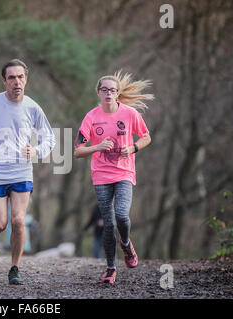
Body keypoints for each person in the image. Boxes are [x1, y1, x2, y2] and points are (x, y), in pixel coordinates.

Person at [0, 59, 55, 285]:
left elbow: (49, 137)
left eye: (20, 77)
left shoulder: (32, 107)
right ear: (4, 81)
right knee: (0, 223)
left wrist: (36, 150)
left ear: (26, 79)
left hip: (21, 171)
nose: (17, 82)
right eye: (12, 78)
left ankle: (15, 268)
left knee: (19, 220)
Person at [74, 71, 153, 284]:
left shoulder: (129, 114)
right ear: (98, 92)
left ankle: (126, 243)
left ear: (117, 93)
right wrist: (97, 147)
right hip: (101, 175)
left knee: (121, 215)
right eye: (104, 90)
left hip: (124, 173)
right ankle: (110, 269)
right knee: (107, 225)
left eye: (112, 90)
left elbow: (146, 136)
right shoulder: (91, 117)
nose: (108, 93)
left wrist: (133, 147)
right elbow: (77, 150)